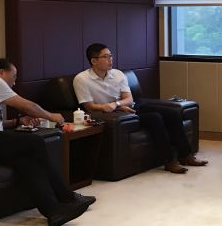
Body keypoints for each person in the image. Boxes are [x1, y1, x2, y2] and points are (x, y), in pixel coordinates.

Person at [0, 58, 95, 226]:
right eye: (13, 76)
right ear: (1, 73)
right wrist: (51, 116)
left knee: (26, 161)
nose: (14, 83)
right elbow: (27, 106)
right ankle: (67, 196)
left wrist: (17, 122)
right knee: (35, 142)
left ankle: (54, 211)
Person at [73, 43, 206, 175]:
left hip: (131, 107)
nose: (110, 59)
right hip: (117, 115)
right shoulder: (82, 79)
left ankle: (185, 155)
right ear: (94, 61)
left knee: (173, 114)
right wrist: (113, 108)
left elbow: (129, 99)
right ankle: (169, 161)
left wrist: (116, 104)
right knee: (155, 118)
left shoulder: (117, 74)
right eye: (106, 57)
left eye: (111, 56)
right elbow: (89, 106)